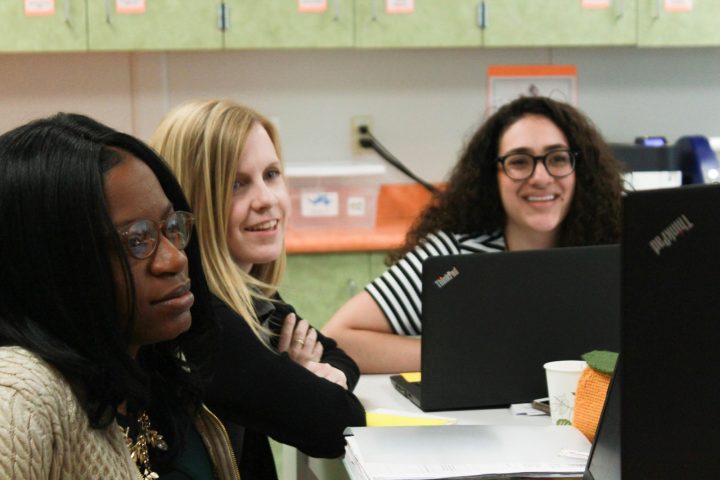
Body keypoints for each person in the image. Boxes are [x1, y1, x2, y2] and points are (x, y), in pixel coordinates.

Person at [0, 113, 241, 479]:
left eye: (171, 227)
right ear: (51, 264)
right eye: (136, 241)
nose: (175, 259)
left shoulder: (152, 372)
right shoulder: (19, 395)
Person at [322, 95, 625, 373]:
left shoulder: (617, 253)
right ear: (492, 176)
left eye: (557, 158)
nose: (541, 177)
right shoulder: (453, 262)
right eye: (519, 162)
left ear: (580, 169)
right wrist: (469, 356)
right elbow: (338, 338)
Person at [150, 99, 366, 480]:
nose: (267, 199)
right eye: (237, 184)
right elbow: (339, 423)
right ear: (194, 200)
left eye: (271, 174)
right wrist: (304, 380)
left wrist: (314, 375)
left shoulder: (250, 296)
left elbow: (335, 353)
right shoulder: (200, 316)